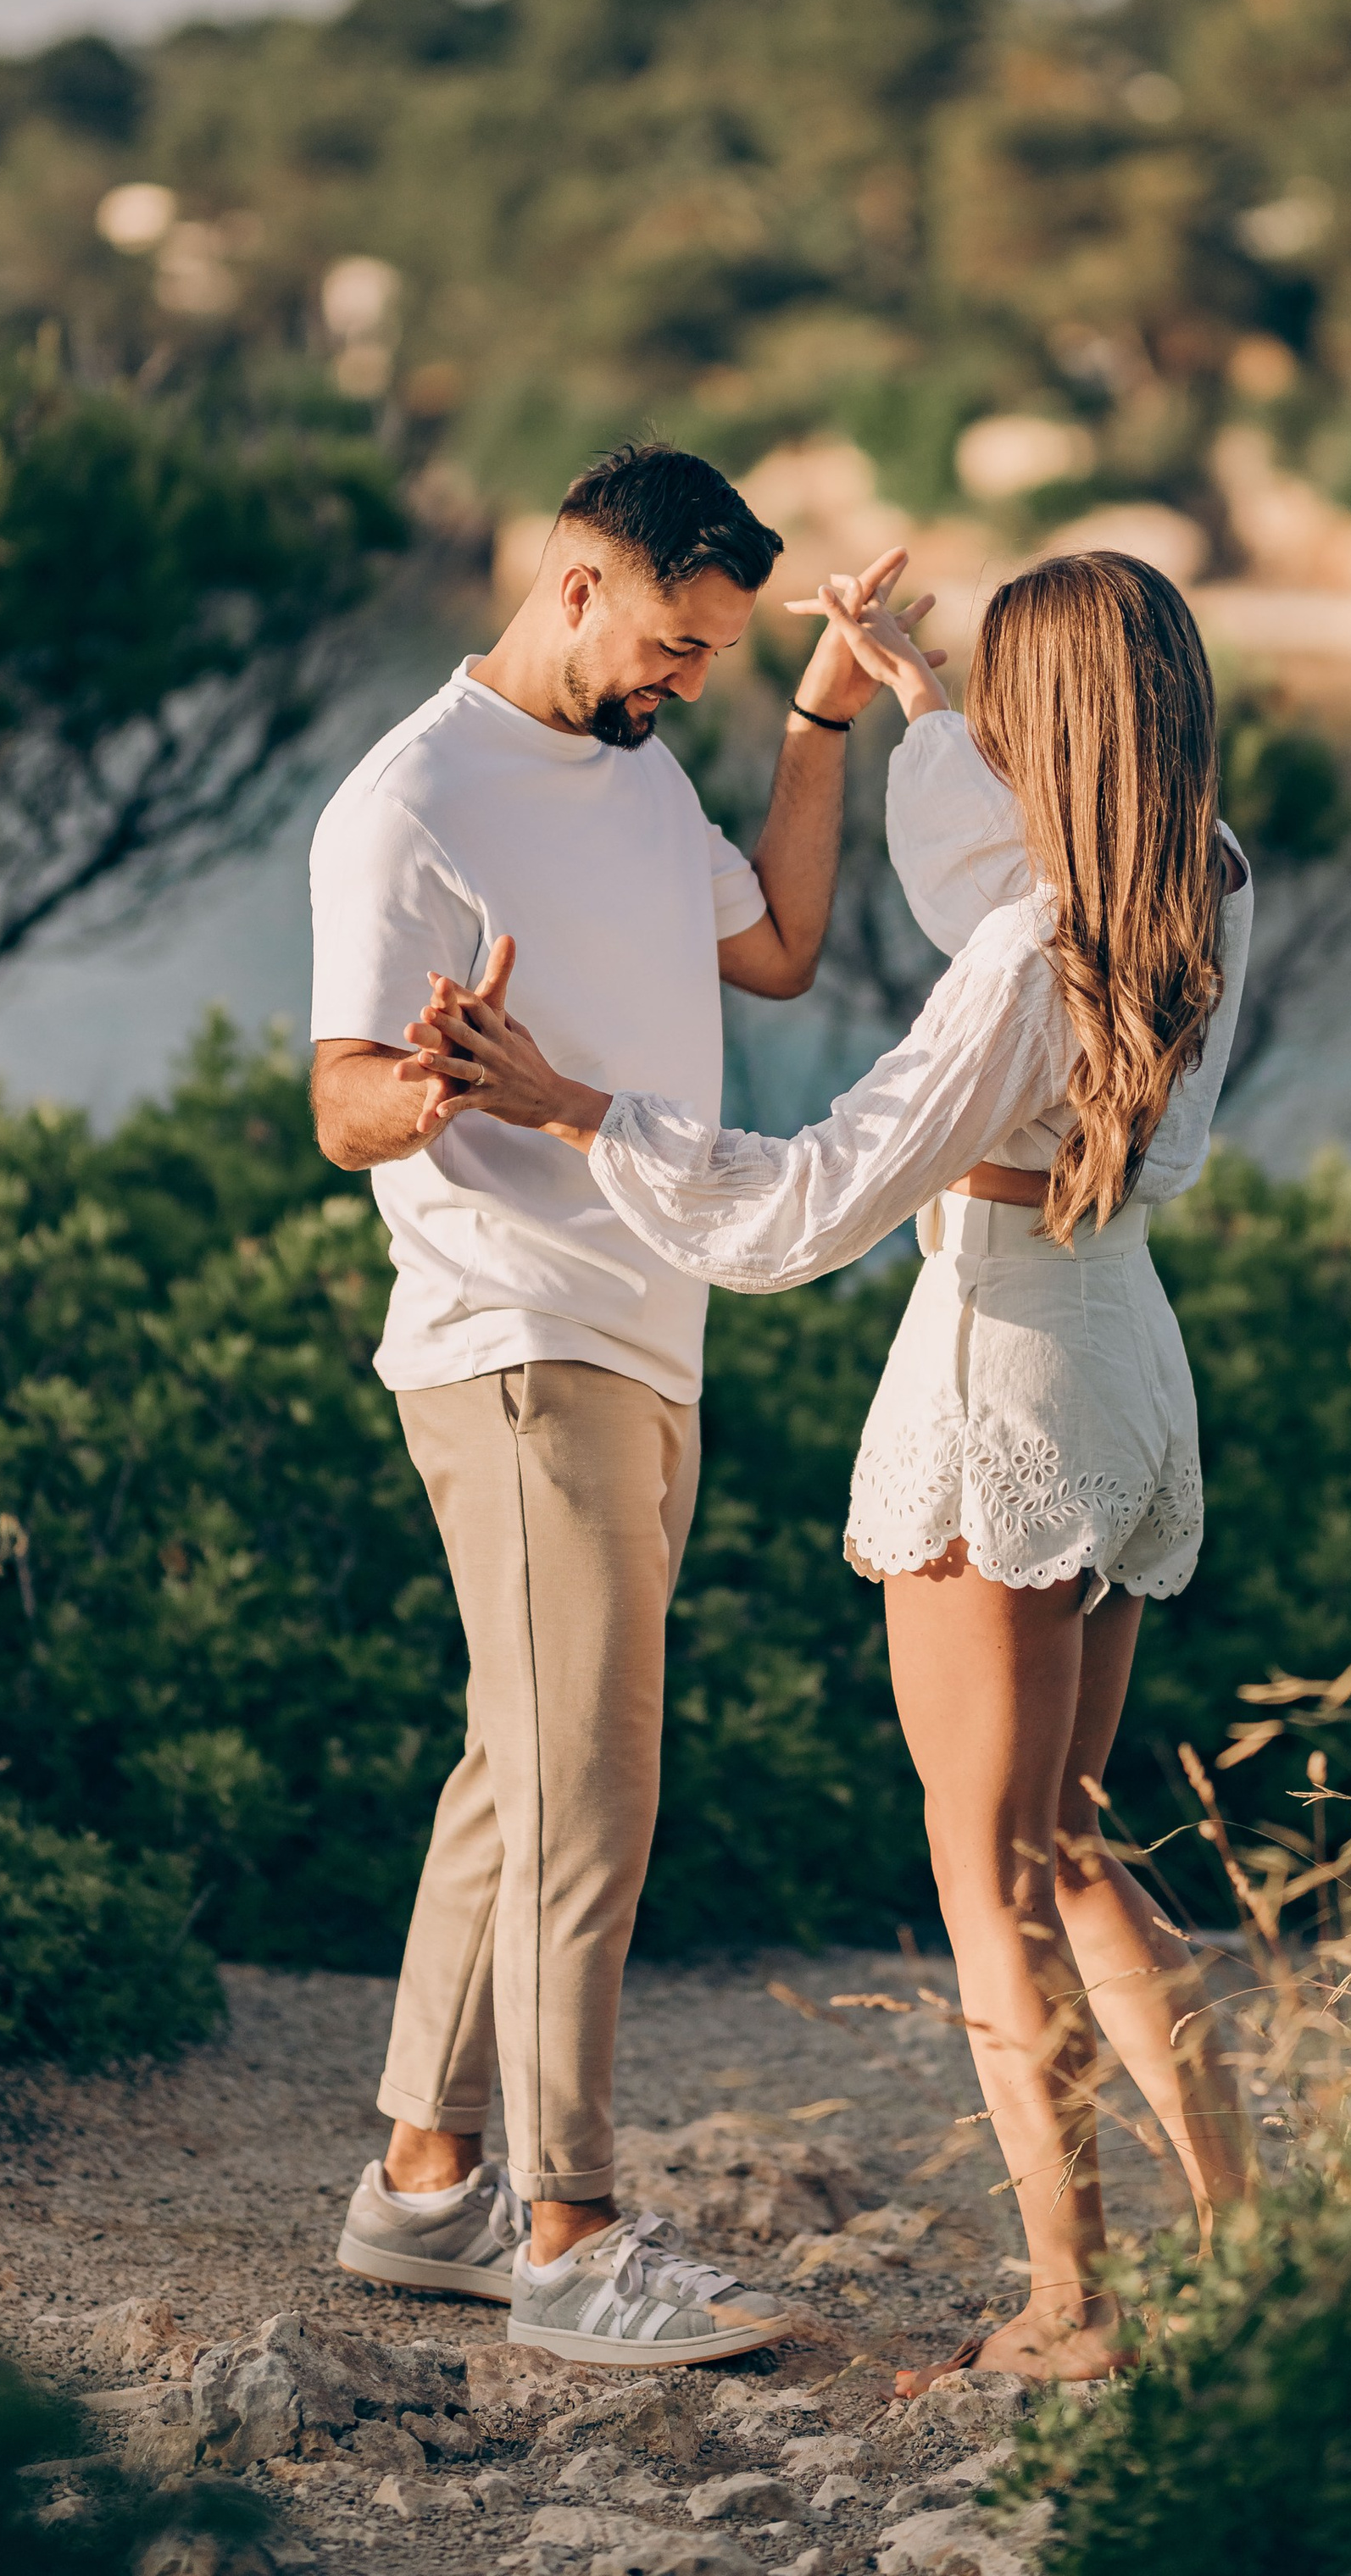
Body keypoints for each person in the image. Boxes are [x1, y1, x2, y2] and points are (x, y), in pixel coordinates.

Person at [400, 549, 1259, 2388]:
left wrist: (573, 1108)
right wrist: (899, 695)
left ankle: (1069, 2312)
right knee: (1075, 1839)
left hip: (998, 1377)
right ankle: (1244, 2249)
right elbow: (980, 860)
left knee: (986, 1869)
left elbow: (804, 1201)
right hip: (1120, 1361)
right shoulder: (1200, 890)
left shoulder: (1032, 958)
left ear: (1052, 733)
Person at [307, 440, 945, 2368]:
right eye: (671, 641)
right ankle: (569, 2240)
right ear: (575, 580)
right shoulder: (408, 798)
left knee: (523, 1766)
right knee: (591, 1778)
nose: (683, 679)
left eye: (713, 657)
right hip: (517, 1335)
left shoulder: (638, 771)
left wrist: (823, 713)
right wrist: (437, 1087)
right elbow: (337, 1101)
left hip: (647, 1329)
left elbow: (771, 946)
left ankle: (422, 2187)